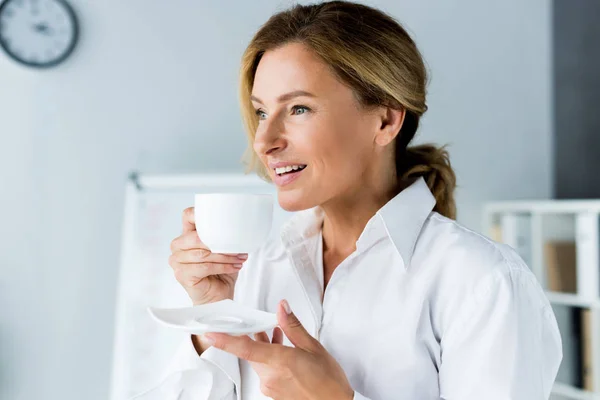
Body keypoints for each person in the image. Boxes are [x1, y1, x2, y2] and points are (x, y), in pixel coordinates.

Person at [134, 1, 562, 399]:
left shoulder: (482, 282)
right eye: (262, 112)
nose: (264, 140)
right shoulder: (256, 267)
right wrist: (212, 314)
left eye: (298, 108)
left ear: (385, 119)